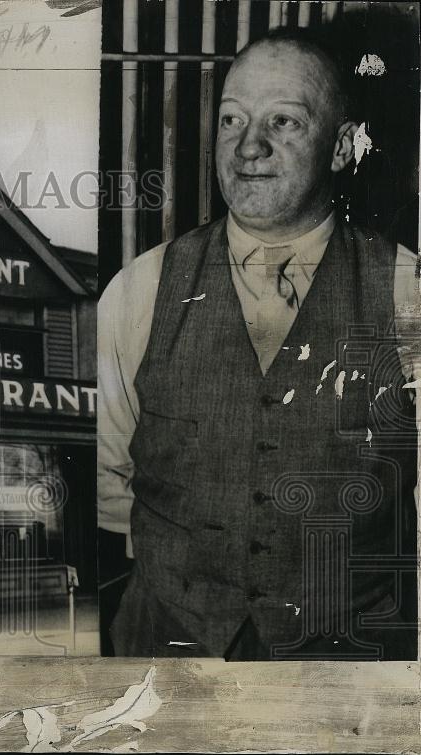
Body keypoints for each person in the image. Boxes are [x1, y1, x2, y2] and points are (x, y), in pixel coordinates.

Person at [98, 28, 420, 660]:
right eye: (231, 120)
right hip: (163, 654)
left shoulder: (409, 292)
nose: (249, 146)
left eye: (285, 122)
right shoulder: (139, 290)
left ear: (342, 147)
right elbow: (112, 485)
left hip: (348, 666)